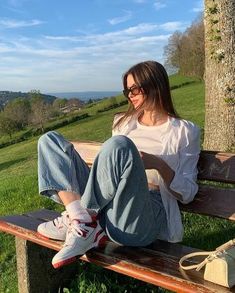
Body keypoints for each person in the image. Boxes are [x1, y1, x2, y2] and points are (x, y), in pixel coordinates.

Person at [37, 60, 200, 269]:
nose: (130, 94)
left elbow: (188, 193)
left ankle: (83, 219)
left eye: (135, 88)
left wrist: (158, 164)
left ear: (155, 85)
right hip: (107, 205)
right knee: (49, 140)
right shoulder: (123, 123)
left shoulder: (185, 131)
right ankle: (81, 218)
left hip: (142, 213)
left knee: (120, 145)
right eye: (127, 90)